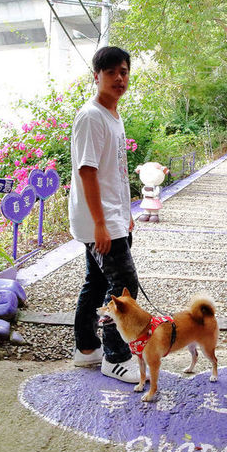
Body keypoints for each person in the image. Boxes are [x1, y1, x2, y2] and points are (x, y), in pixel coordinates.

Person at [69, 46, 142, 383]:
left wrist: (125, 214)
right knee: (124, 285)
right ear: (96, 76)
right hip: (99, 220)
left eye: (123, 72)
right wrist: (101, 223)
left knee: (97, 282)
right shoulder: (91, 116)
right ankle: (115, 357)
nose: (118, 78)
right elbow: (87, 172)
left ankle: (86, 349)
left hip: (112, 217)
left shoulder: (113, 115)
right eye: (111, 72)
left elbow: (115, 173)